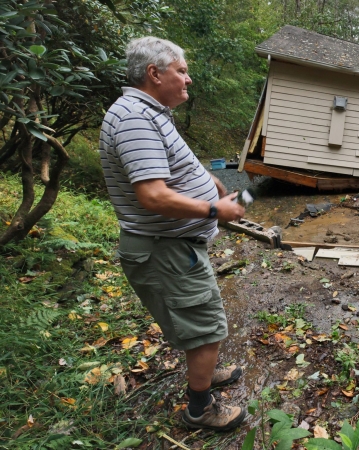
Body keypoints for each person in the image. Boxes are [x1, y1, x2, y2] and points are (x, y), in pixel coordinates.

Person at [99, 36, 247, 431]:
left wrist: (209, 180)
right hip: (164, 249)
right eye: (181, 70)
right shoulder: (134, 118)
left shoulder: (149, 111)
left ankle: (205, 371)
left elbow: (170, 166)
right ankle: (200, 410)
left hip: (174, 247)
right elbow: (152, 194)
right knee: (206, 328)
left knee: (201, 322)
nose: (188, 79)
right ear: (154, 73)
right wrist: (216, 208)